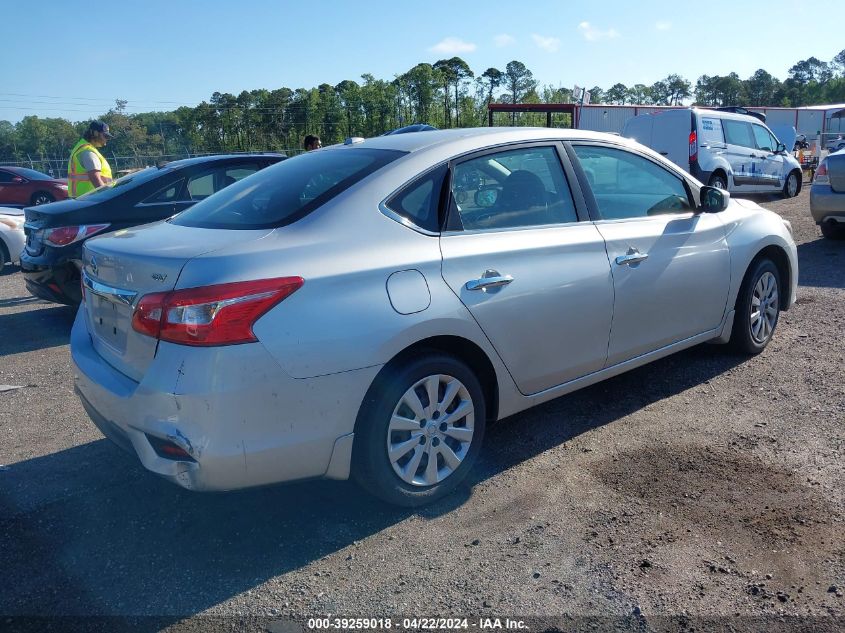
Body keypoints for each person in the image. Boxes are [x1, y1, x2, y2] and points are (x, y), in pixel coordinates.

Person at [67, 121, 114, 198]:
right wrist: (108, 197)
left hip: (84, 200)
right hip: (91, 200)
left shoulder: (83, 147)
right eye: (105, 136)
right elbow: (96, 178)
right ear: (95, 133)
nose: (107, 139)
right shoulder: (88, 152)